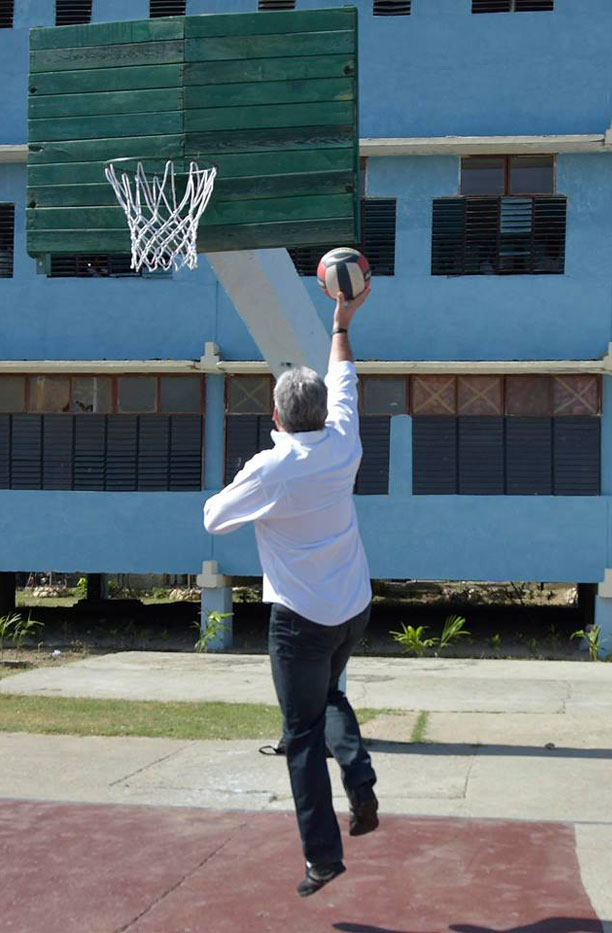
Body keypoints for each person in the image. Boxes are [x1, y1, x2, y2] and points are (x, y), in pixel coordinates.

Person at [203, 287, 378, 898]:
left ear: (275, 418)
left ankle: (323, 858)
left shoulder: (271, 468)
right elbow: (345, 375)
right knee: (328, 695)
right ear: (321, 412)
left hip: (301, 620)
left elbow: (213, 518)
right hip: (352, 608)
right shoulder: (343, 442)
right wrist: (340, 322)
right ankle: (360, 781)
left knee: (299, 735)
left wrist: (255, 476)